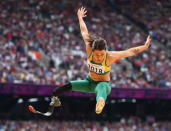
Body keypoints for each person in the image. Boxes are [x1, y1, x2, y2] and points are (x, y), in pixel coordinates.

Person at [48, 7, 152, 115]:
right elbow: (84, 31)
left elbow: (130, 52)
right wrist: (80, 18)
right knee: (66, 87)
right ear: (93, 51)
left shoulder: (110, 56)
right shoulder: (89, 49)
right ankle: (54, 98)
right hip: (89, 82)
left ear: (105, 51)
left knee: (101, 87)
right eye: (97, 55)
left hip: (103, 85)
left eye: (101, 54)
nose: (99, 57)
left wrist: (144, 47)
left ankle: (100, 103)